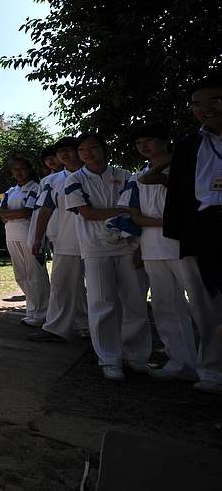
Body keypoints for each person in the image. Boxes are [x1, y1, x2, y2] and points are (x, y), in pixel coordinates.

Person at [118, 125, 206, 383]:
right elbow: (134, 215)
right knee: (165, 306)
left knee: (201, 303)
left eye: (149, 140)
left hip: (184, 245)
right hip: (153, 247)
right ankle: (181, 362)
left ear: (165, 140)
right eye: (139, 143)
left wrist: (169, 224)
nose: (144, 147)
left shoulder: (188, 167)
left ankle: (212, 367)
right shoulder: (138, 177)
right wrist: (161, 227)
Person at [64, 133, 151, 382]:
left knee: (135, 302)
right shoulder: (75, 179)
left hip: (128, 246)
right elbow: (87, 213)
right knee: (102, 303)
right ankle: (110, 359)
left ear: (103, 149)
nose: (87, 153)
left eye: (93, 147)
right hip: (95, 248)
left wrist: (136, 240)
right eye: (82, 150)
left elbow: (135, 209)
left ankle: (137, 356)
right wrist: (122, 211)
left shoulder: (125, 175)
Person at [158, 71, 222, 394]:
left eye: (215, 101)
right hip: (201, 231)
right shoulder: (189, 145)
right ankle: (212, 370)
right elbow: (178, 195)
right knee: (205, 305)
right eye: (197, 103)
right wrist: (180, 237)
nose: (205, 109)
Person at [28, 137, 89, 343]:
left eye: (69, 150)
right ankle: (56, 328)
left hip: (98, 241)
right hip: (66, 240)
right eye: (60, 152)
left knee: (98, 287)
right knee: (61, 284)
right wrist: (38, 238)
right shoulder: (51, 181)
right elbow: (43, 211)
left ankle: (89, 326)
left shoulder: (93, 175)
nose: (64, 155)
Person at [0, 156, 50, 327]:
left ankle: (44, 313)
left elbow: (27, 212)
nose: (19, 172)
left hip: (30, 235)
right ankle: (32, 311)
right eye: (15, 169)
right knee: (21, 276)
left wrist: (9, 215)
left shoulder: (35, 187)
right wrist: (15, 214)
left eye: (22, 168)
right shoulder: (10, 191)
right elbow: (0, 212)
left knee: (36, 275)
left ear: (29, 169)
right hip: (11, 236)